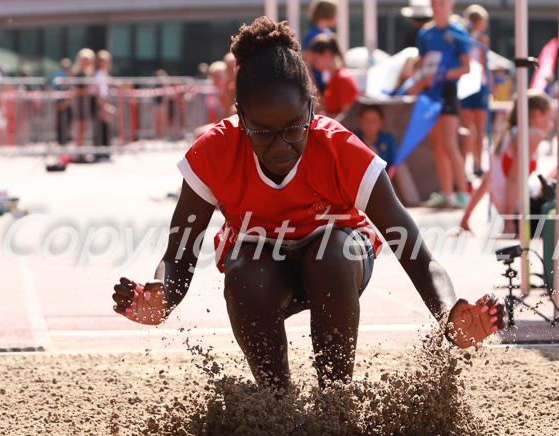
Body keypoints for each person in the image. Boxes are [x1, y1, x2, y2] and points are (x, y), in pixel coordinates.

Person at [111, 17, 504, 392]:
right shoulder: (214, 152)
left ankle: (335, 397)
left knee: (331, 255)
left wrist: (450, 313)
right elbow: (179, 253)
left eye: (294, 128)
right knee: (244, 271)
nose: (280, 146)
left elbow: (415, 252)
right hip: (264, 269)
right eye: (262, 132)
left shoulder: (340, 150)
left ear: (312, 110)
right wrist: (163, 296)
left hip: (337, 265)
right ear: (240, 116)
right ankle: (276, 402)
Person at [460, 90, 559, 234]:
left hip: (521, 208)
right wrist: (509, 222)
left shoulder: (509, 134)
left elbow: (488, 179)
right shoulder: (531, 135)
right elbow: (514, 179)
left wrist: (466, 217)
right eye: (549, 118)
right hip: (525, 214)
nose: (551, 125)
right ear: (537, 115)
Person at [408, 0, 471, 209]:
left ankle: (463, 193)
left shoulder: (457, 31)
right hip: (429, 90)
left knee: (449, 143)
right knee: (437, 145)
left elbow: (466, 67)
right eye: (434, 4)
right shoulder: (425, 34)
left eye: (441, 3)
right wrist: (419, 80)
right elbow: (422, 63)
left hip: (447, 90)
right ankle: (447, 193)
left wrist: (440, 75)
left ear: (450, 5)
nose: (437, 8)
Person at [459, 4, 490, 178]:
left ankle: (477, 164)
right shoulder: (464, 38)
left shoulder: (479, 40)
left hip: (476, 84)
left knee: (475, 128)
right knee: (471, 129)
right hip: (470, 84)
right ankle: (468, 164)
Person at [309, 33, 359, 117]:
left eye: (315, 60)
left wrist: (325, 117)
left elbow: (347, 116)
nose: (314, 65)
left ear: (326, 54)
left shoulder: (343, 78)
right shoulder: (333, 77)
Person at [303, 0, 338, 93]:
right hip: (318, 84)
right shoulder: (311, 35)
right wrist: (315, 91)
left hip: (330, 84)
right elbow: (307, 64)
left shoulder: (328, 33)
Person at [353, 104, 398, 169]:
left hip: (383, 177)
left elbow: (394, 165)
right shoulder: (353, 139)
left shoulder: (388, 139)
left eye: (374, 121)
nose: (369, 125)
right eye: (366, 121)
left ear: (381, 122)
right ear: (360, 121)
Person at [71, 48, 95, 160]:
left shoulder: (87, 73)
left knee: (84, 128)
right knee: (80, 127)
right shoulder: (77, 73)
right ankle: (78, 151)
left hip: (85, 102)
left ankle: (80, 150)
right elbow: (75, 89)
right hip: (79, 102)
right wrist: (86, 90)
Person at [92, 49, 113, 162]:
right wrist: (104, 107)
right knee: (100, 129)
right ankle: (100, 154)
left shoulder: (104, 74)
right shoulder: (98, 74)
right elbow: (98, 92)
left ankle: (105, 153)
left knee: (105, 128)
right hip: (100, 104)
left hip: (104, 102)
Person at [51, 58, 73, 147]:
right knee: (60, 121)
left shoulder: (69, 75)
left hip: (67, 102)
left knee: (67, 121)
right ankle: (61, 139)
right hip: (60, 102)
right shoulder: (59, 75)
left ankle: (65, 138)